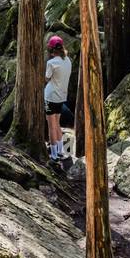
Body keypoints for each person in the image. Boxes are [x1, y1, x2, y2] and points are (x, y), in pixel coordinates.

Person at [44, 35, 73, 163]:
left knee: (51, 125)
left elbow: (47, 78)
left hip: (50, 96)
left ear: (51, 49)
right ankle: (61, 151)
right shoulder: (68, 60)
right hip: (62, 97)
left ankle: (54, 155)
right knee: (57, 123)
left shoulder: (51, 63)